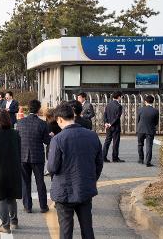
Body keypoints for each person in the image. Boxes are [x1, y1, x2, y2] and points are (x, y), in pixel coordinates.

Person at [48, 102, 103, 239]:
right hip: (85, 188)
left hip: (63, 191)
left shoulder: (58, 139)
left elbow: (52, 167)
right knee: (87, 228)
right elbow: (99, 163)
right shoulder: (92, 135)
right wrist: (92, 179)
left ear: (60, 119)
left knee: (66, 231)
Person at [16, 100, 50, 214]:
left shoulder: (20, 123)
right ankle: (43, 206)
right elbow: (46, 141)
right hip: (37, 157)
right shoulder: (42, 124)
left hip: (23, 156)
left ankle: (27, 207)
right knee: (40, 181)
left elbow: (17, 140)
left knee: (25, 182)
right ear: (38, 109)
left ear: (28, 109)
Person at [137, 95, 159, 167]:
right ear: (152, 102)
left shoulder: (140, 109)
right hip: (150, 130)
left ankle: (141, 159)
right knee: (149, 145)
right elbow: (156, 122)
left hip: (141, 129)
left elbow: (138, 120)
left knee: (140, 144)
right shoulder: (155, 111)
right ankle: (148, 162)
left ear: (145, 101)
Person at [102, 91, 124, 163]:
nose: (121, 98)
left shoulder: (108, 105)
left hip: (108, 127)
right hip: (115, 127)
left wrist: (106, 123)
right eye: (121, 96)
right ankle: (115, 158)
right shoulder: (119, 106)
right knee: (115, 142)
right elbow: (117, 117)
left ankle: (103, 157)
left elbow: (104, 114)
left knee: (107, 142)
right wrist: (111, 124)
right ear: (119, 97)